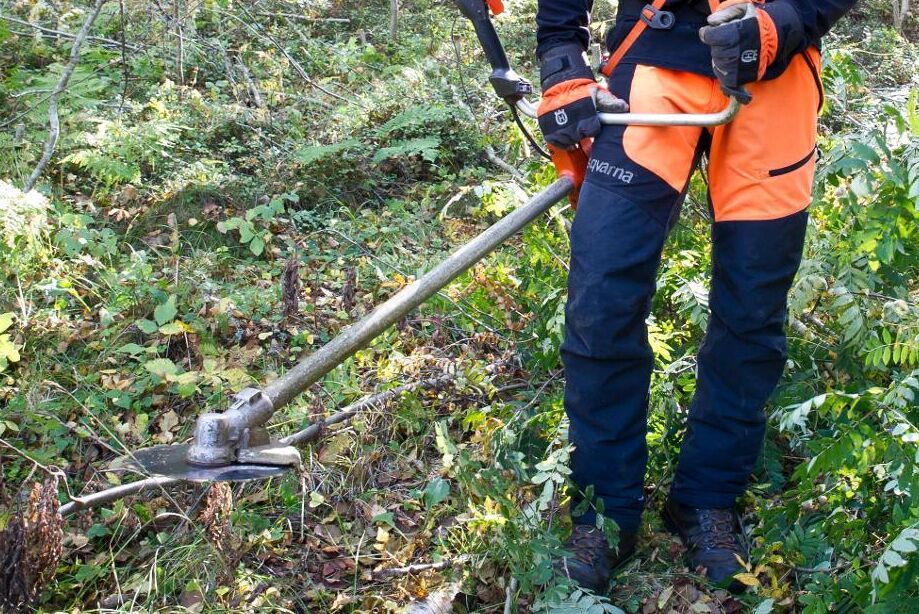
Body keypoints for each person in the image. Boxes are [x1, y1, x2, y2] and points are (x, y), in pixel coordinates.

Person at [535, 0, 856, 593]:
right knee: (601, 295)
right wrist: (561, 62)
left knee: (752, 313)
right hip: (651, 69)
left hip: (776, 78)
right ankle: (604, 513)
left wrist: (787, 21)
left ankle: (707, 499)